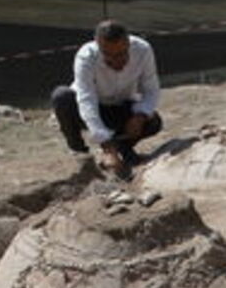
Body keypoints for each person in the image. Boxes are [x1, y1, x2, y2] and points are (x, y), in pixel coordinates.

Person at [50, 20, 163, 174]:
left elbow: (151, 89)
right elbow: (86, 100)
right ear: (98, 46)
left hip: (120, 105)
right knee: (61, 97)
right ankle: (80, 154)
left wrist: (140, 116)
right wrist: (106, 147)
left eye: (122, 54)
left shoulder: (143, 50)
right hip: (88, 110)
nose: (116, 61)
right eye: (109, 56)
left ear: (129, 44)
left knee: (153, 121)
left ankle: (123, 148)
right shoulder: (86, 57)